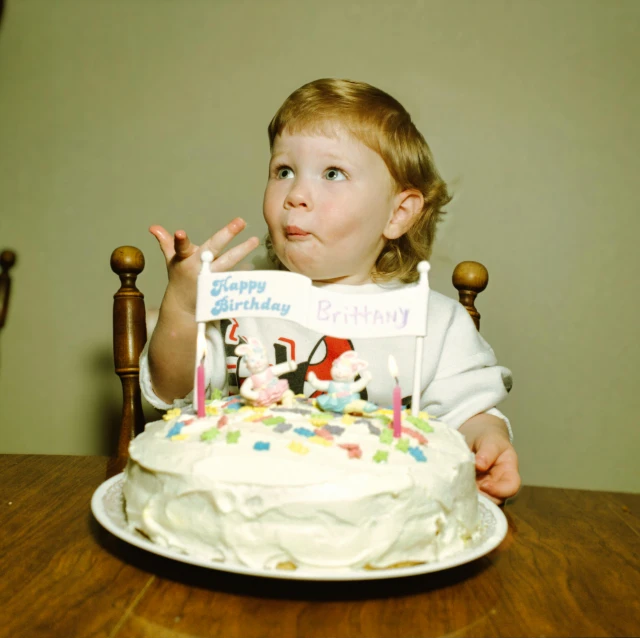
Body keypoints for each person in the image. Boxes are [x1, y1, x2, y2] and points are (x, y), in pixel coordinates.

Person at [141, 78, 520, 504]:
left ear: (398, 213)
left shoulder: (436, 323)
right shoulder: (238, 302)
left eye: (333, 173)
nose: (296, 195)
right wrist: (183, 304)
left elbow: (470, 415)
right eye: (284, 171)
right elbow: (170, 392)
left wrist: (488, 441)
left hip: (382, 520)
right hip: (242, 508)